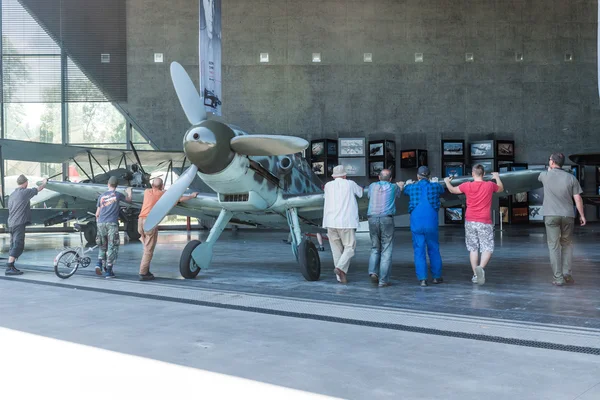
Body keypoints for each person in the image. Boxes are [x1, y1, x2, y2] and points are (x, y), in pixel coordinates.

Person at [445, 165, 504, 285]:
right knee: (487, 247)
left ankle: (476, 275)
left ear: (473, 174)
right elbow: (501, 189)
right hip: (484, 221)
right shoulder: (489, 185)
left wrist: (447, 182)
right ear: (483, 174)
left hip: (470, 220)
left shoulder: (467, 185)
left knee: (473, 248)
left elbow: (452, 190)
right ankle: (481, 268)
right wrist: (497, 177)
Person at [538, 152, 586, 286]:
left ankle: (558, 278)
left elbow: (542, 177)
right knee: (567, 244)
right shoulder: (571, 178)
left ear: (552, 162)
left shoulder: (544, 175)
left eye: (549, 160)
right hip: (568, 215)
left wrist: (549, 171)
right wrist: (581, 215)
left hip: (551, 216)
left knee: (553, 246)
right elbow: (577, 198)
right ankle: (567, 274)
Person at [138, 178, 198, 281]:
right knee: (149, 250)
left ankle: (146, 269)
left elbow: (134, 189)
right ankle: (143, 273)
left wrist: (129, 190)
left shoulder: (147, 191)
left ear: (152, 185)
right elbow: (179, 198)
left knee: (146, 246)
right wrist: (191, 196)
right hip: (150, 222)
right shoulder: (162, 194)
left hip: (140, 221)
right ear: (162, 186)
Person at [400, 166, 445, 286]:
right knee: (434, 249)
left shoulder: (412, 187)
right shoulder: (435, 186)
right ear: (429, 176)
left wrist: (408, 183)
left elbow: (405, 190)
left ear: (418, 176)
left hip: (417, 224)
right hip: (431, 223)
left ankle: (423, 279)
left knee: (419, 250)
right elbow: (442, 190)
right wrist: (435, 182)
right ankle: (436, 277)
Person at [322, 165, 363, 284]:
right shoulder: (350, 184)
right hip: (346, 222)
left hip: (330, 222)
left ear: (333, 176)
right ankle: (340, 268)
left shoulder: (328, 186)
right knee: (350, 247)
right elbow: (360, 193)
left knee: (336, 251)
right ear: (345, 175)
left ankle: (340, 278)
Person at [5, 175, 47, 276]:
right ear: (25, 183)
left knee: (13, 244)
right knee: (18, 244)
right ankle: (9, 267)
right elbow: (39, 188)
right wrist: (45, 182)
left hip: (11, 223)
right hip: (19, 223)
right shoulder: (24, 192)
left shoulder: (13, 194)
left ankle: (12, 265)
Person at [367, 169, 402, 287]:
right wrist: (400, 186)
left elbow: (368, 195)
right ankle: (383, 280)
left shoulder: (372, 186)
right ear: (391, 179)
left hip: (372, 218)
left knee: (375, 248)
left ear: (378, 177)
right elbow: (399, 194)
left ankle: (373, 272)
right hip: (387, 219)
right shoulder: (393, 187)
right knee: (386, 249)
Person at [95, 176, 132, 278]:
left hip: (101, 223)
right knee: (112, 246)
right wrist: (129, 191)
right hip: (112, 223)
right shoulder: (117, 194)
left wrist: (99, 224)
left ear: (108, 184)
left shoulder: (101, 196)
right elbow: (129, 200)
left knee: (102, 245)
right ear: (116, 186)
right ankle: (109, 271)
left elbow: (97, 214)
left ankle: (99, 263)